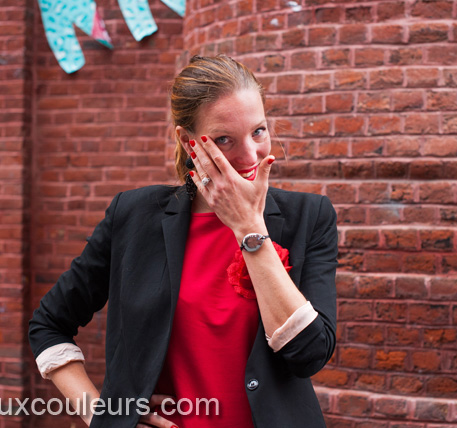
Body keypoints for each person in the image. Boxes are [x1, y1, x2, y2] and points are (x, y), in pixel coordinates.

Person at [28, 55, 338, 428]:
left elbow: (310, 354)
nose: (250, 154)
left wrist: (249, 228)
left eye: (258, 131)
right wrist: (105, 415)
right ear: (188, 141)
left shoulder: (311, 217)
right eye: (224, 139)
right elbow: (49, 323)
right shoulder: (133, 216)